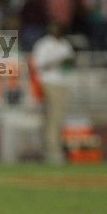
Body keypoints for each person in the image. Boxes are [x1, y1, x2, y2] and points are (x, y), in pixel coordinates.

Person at [31, 21, 74, 164]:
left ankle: (55, 149)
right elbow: (38, 65)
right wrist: (57, 61)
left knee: (58, 118)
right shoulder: (43, 44)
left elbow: (70, 63)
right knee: (53, 118)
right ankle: (53, 151)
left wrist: (65, 62)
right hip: (49, 82)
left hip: (63, 82)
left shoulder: (65, 44)